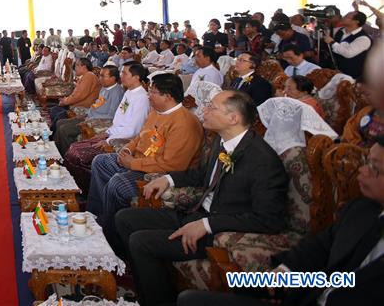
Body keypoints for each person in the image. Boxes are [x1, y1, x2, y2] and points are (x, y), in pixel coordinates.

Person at [116, 91, 289, 306]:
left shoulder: (262, 160)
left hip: (218, 229)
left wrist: (207, 225)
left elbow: (269, 219)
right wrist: (168, 179)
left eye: (211, 108)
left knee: (141, 241)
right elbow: (202, 174)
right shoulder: (222, 140)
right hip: (196, 212)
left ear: (233, 118)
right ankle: (142, 280)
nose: (203, 111)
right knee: (125, 218)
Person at [177, 135, 384, 306]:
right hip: (307, 294)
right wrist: (283, 274)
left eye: (375, 168)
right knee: (194, 298)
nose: (362, 170)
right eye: (366, 161)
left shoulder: (260, 157)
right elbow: (319, 247)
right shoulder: (363, 209)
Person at [87, 74, 203, 245]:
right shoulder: (157, 112)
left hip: (157, 173)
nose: (149, 96)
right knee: (101, 161)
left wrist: (132, 163)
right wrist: (128, 149)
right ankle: (96, 214)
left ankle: (110, 234)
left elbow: (172, 165)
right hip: (140, 161)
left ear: (168, 96)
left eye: (153, 92)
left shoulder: (185, 123)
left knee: (118, 183)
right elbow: (140, 137)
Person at [63, 63, 151, 190]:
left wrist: (109, 140)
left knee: (78, 153)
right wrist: (107, 132)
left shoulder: (141, 98)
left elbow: (133, 130)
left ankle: (81, 189)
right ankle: (73, 186)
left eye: (124, 73)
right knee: (74, 147)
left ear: (136, 77)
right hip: (113, 133)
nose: (121, 76)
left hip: (121, 139)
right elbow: (119, 119)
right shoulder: (130, 93)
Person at [55, 65, 126, 154]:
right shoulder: (104, 88)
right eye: (100, 75)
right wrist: (87, 114)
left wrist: (90, 118)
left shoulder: (117, 92)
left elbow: (111, 115)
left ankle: (65, 155)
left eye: (103, 76)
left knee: (64, 129)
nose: (99, 78)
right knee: (59, 122)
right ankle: (57, 151)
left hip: (96, 120)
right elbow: (97, 104)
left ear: (113, 78)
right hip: (89, 116)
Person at [49, 58, 100, 127]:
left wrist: (65, 101)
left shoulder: (89, 76)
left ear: (84, 67)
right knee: (54, 110)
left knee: (59, 116)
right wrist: (65, 100)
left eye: (76, 65)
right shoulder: (85, 76)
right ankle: (52, 132)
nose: (75, 68)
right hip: (76, 103)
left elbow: (78, 96)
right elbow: (76, 94)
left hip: (83, 106)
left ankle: (52, 135)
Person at [324, 11, 372, 82]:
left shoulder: (363, 38)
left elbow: (348, 53)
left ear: (356, 22)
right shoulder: (340, 31)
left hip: (352, 77)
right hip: (335, 72)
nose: (343, 17)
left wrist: (332, 42)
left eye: (347, 17)